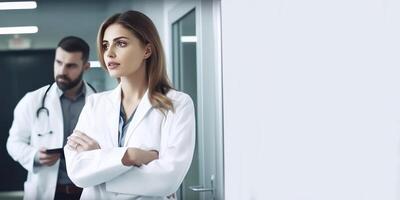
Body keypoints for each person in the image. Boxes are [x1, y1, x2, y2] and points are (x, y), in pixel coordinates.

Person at [64, 10, 196, 199]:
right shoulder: (95, 103)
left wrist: (101, 161)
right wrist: (131, 156)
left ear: (147, 50)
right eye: (105, 45)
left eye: (121, 43)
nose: (109, 53)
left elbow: (168, 180)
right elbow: (78, 173)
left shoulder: (177, 104)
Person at [6, 36, 96, 200]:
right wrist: (34, 155)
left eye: (71, 66)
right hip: (48, 191)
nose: (62, 71)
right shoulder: (32, 100)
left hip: (87, 190)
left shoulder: (99, 103)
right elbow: (13, 143)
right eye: (59, 62)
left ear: (86, 67)